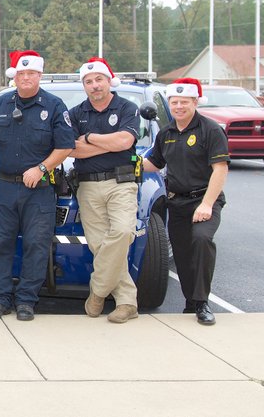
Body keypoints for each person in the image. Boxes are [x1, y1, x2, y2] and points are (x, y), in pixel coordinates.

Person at [0, 50, 74, 322]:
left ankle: (26, 301)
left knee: (36, 245)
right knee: (1, 244)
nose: (26, 78)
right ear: (15, 77)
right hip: (5, 187)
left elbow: (65, 145)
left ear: (39, 76)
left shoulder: (54, 106)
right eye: (21, 74)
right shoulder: (3, 104)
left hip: (39, 189)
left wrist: (42, 168)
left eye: (31, 73)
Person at [143, 78, 229, 326]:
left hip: (205, 200)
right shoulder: (166, 132)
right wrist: (131, 163)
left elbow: (220, 169)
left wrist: (207, 204)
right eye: (174, 102)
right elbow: (155, 164)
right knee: (181, 254)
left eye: (184, 102)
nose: (179, 106)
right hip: (177, 203)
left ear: (194, 102)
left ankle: (202, 303)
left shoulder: (210, 130)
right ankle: (190, 302)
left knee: (201, 240)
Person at [69, 57, 140, 324]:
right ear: (84, 86)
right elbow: (72, 149)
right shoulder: (76, 113)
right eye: (89, 81)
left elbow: (125, 140)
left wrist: (89, 138)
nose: (94, 85)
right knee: (100, 245)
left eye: (99, 79)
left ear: (109, 81)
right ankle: (126, 302)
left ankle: (98, 290)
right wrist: (109, 144)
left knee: (123, 232)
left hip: (121, 184)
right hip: (87, 184)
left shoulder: (126, 107)